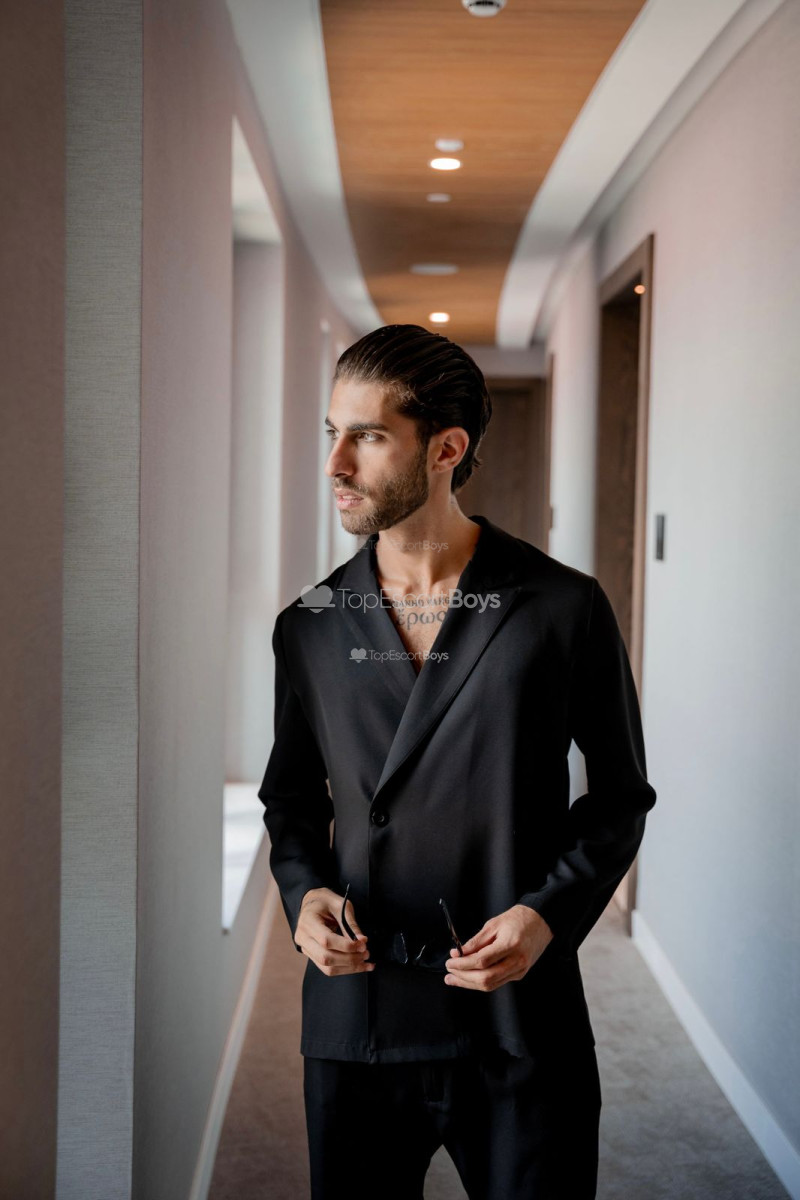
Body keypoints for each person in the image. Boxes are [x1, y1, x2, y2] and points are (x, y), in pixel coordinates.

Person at [258, 323, 656, 1199]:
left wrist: (546, 917)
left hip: (518, 1011)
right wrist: (304, 894)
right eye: (333, 433)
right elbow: (289, 800)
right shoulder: (309, 627)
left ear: (446, 449)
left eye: (367, 436)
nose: (335, 465)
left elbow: (621, 796)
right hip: (360, 1011)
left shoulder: (562, 607)